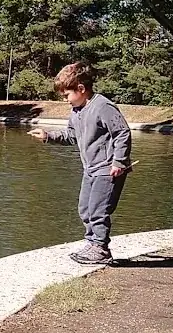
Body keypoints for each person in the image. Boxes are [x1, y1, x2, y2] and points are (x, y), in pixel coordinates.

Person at [28, 62, 132, 264]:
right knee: (85, 208)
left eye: (66, 95)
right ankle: (92, 243)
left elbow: (122, 133)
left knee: (98, 209)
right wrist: (48, 136)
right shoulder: (77, 111)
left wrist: (119, 162)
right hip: (90, 169)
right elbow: (71, 136)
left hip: (108, 169)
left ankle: (101, 249)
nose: (65, 100)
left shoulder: (103, 107)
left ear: (81, 89)